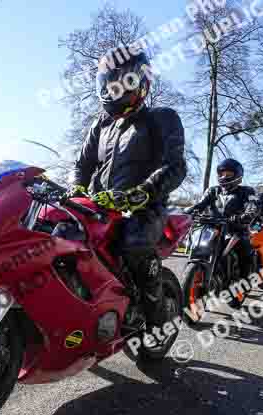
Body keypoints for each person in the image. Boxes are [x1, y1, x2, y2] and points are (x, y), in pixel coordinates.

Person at [71, 51, 187, 331]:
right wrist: (76, 188)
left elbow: (176, 166)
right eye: (109, 83)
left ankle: (155, 308)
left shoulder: (163, 118)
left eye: (121, 83)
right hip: (99, 206)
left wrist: (143, 193)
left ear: (140, 83)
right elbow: (82, 164)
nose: (114, 90)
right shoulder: (100, 124)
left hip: (145, 207)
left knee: (133, 241)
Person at [185, 158, 257, 280]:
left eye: (228, 174)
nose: (224, 177)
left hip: (235, 230)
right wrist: (186, 212)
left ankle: (244, 282)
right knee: (196, 244)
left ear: (238, 175)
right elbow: (200, 204)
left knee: (246, 248)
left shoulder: (246, 191)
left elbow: (252, 206)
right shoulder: (213, 191)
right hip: (212, 228)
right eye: (221, 174)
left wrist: (247, 215)